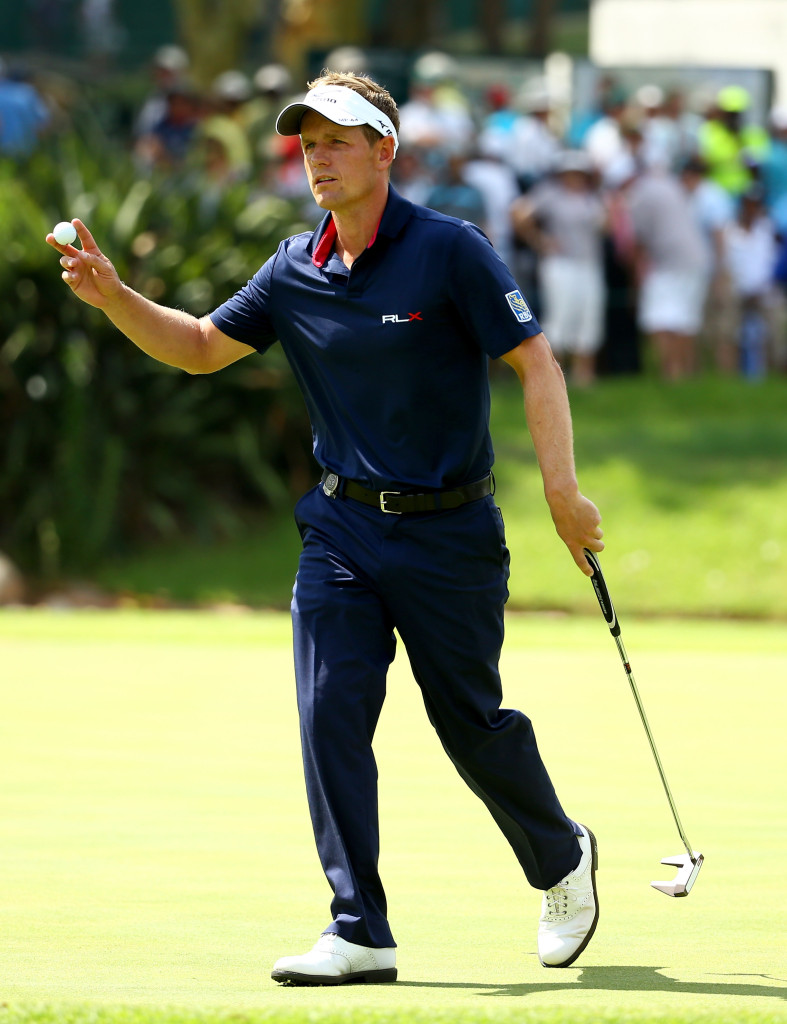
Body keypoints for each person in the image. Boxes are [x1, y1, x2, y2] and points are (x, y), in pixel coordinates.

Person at [47, 70, 604, 984]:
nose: (320, 157)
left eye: (339, 139)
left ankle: (560, 856)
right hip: (341, 530)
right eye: (308, 143)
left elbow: (535, 364)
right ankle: (359, 928)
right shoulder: (293, 267)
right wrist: (113, 296)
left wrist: (561, 492)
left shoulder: (449, 251)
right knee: (329, 711)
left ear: (386, 149)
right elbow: (196, 348)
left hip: (448, 533)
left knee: (468, 722)